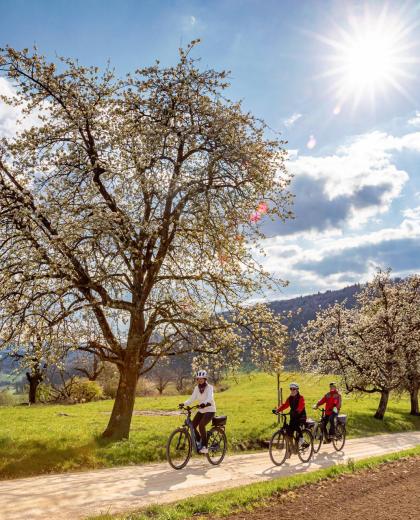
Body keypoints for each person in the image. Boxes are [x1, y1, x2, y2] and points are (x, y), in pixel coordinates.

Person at [179, 370, 216, 454]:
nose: (199, 380)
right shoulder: (197, 388)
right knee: (192, 425)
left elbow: (210, 397)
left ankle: (205, 446)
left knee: (201, 425)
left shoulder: (209, 387)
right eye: (198, 379)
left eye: (201, 379)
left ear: (205, 379)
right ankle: (199, 441)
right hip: (201, 410)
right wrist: (184, 403)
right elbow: (192, 398)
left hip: (210, 410)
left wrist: (204, 403)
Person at [273, 382, 307, 447]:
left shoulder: (301, 397)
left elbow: (301, 406)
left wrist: (297, 411)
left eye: (294, 389)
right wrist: (277, 410)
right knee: (289, 430)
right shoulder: (290, 398)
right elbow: (285, 405)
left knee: (296, 426)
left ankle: (302, 440)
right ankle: (292, 446)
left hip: (301, 416)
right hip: (293, 416)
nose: (292, 390)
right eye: (291, 389)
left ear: (297, 389)